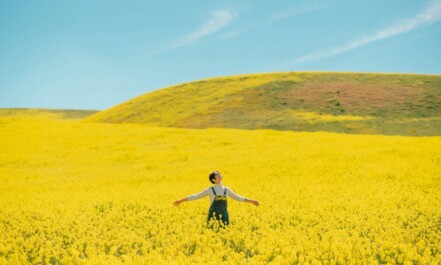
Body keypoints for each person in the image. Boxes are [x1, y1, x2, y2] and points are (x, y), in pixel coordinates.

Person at [173, 171, 259, 226]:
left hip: (224, 215)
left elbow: (238, 197)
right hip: (213, 216)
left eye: (219, 174)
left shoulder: (226, 189)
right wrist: (181, 200)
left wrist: (251, 201)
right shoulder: (210, 190)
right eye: (217, 175)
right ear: (213, 180)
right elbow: (196, 196)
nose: (220, 175)